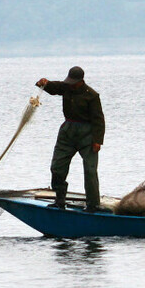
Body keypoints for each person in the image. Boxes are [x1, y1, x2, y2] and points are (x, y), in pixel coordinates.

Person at [35, 66, 105, 212]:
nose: (71, 84)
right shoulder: (66, 87)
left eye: (74, 82)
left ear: (81, 81)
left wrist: (98, 140)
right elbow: (54, 88)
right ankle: (59, 201)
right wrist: (44, 83)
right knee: (57, 167)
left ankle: (93, 205)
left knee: (90, 171)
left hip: (87, 135)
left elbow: (99, 120)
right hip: (67, 132)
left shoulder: (91, 95)